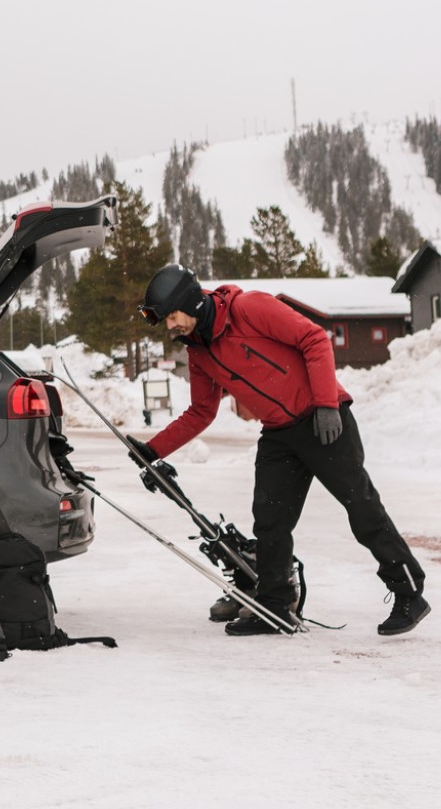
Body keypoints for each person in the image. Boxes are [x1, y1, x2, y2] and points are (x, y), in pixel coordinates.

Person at [128, 264, 429, 636]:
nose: (170, 327)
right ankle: (274, 605)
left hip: (322, 420)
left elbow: (314, 339)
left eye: (171, 316)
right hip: (278, 434)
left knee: (361, 507)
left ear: (189, 301)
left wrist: (326, 404)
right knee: (270, 520)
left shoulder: (249, 308)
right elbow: (202, 411)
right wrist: (153, 449)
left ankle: (409, 592)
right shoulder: (198, 351)